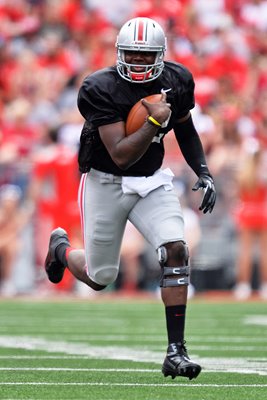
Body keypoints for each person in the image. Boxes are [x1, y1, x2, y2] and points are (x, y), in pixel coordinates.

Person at [44, 17, 216, 380]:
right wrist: (154, 123)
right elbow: (121, 154)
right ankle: (60, 249)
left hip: (152, 181)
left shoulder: (176, 79)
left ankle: (176, 351)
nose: (138, 63)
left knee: (176, 249)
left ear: (160, 55)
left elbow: (184, 126)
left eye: (146, 56)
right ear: (119, 54)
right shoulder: (99, 87)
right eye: (132, 55)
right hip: (106, 181)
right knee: (99, 277)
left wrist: (203, 171)